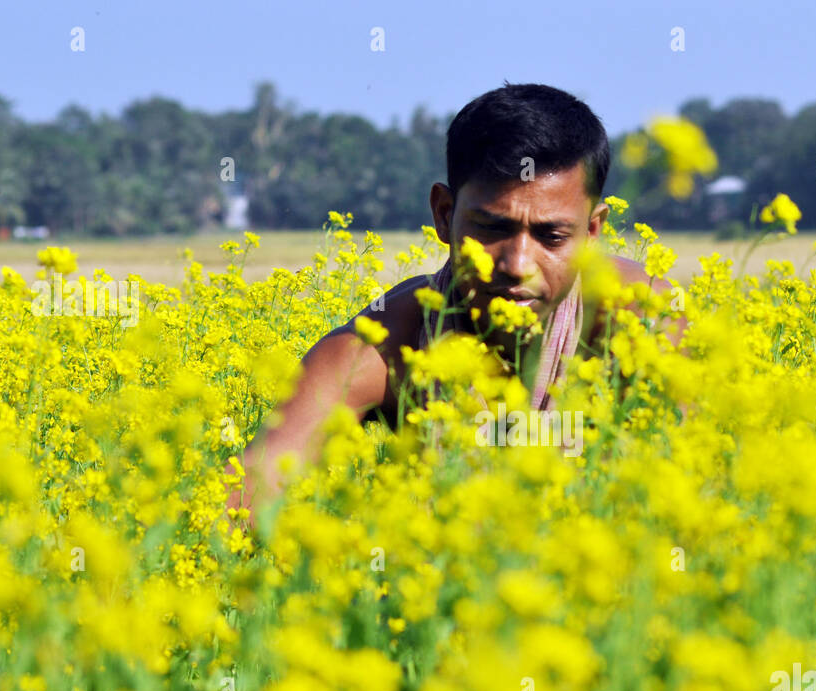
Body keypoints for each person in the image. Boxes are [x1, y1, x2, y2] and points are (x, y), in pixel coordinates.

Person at [224, 82, 683, 531]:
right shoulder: (382, 345)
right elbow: (248, 494)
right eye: (492, 228)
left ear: (593, 232)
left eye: (552, 236)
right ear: (444, 214)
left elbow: (695, 496)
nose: (518, 264)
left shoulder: (640, 320)